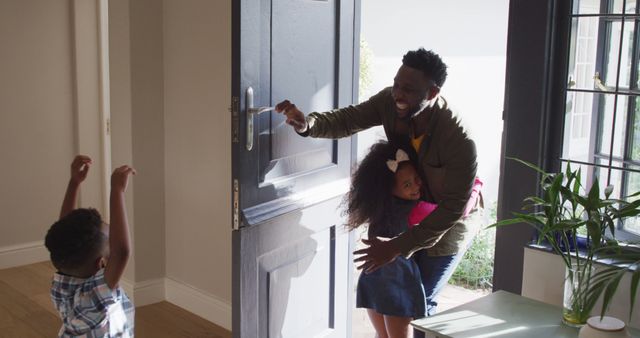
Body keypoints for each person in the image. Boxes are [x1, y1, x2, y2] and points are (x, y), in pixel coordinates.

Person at [275, 48, 483, 320]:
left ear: (432, 93)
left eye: (408, 89)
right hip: (410, 210)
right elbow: (349, 118)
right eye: (396, 84)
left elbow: (452, 209)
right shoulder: (389, 101)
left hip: (449, 221)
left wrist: (397, 246)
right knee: (393, 295)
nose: (397, 94)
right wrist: (308, 125)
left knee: (421, 300)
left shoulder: (459, 140)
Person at [345, 141, 437, 338]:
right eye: (407, 184)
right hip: (397, 284)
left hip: (375, 278)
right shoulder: (418, 209)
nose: (416, 187)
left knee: (383, 335)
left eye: (416, 179)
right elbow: (452, 212)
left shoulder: (376, 207)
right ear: (389, 188)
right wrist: (474, 188)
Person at [45, 155, 136, 337]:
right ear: (102, 263)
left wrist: (74, 183)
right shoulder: (94, 295)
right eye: (110, 241)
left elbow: (67, 231)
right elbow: (122, 252)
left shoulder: (64, 280)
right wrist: (117, 191)